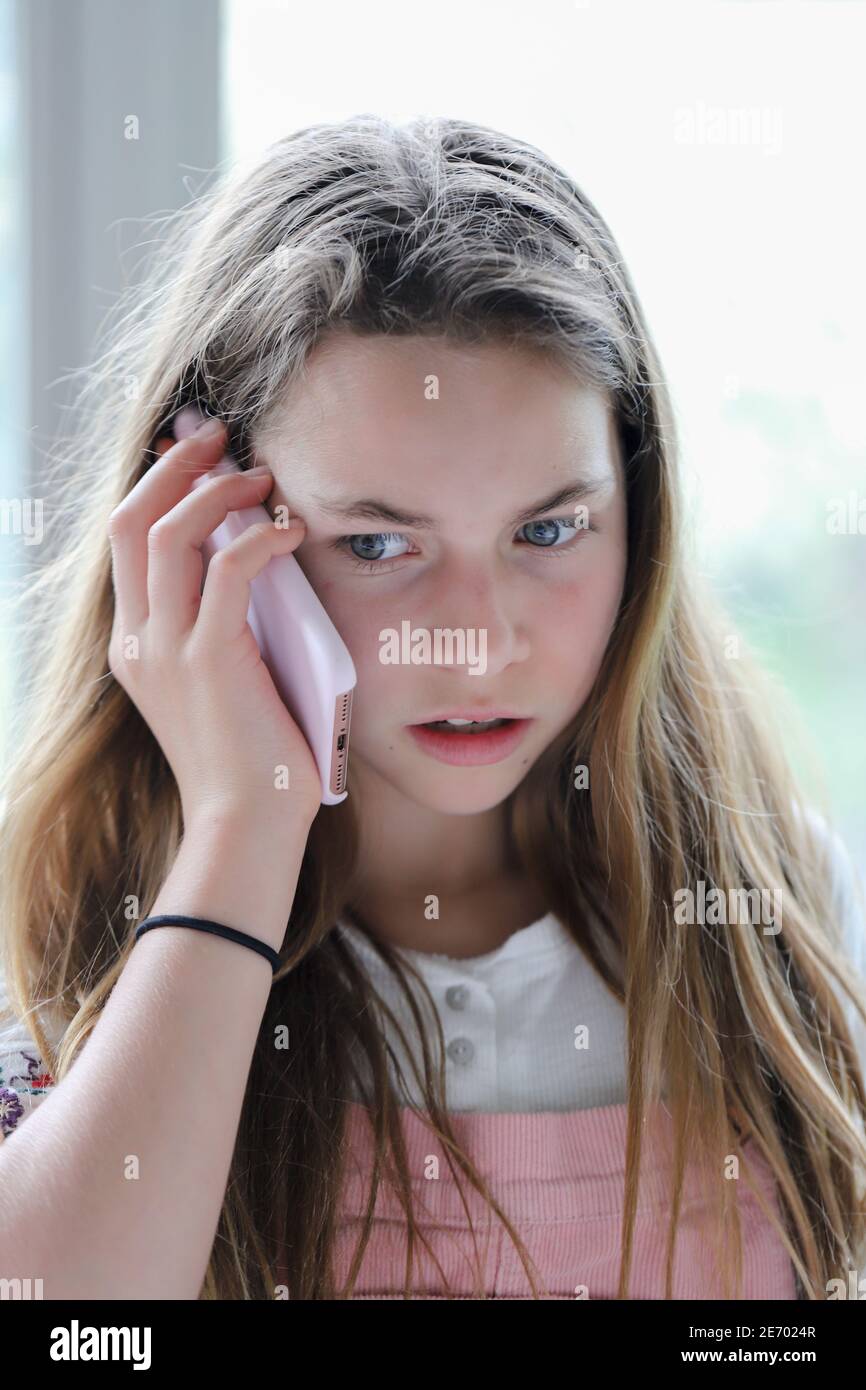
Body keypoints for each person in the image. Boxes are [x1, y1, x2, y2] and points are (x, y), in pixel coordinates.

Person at [1, 114, 864, 1301]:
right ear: (203, 530)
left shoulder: (786, 926)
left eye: (548, 530)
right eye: (377, 541)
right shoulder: (58, 948)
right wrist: (245, 831)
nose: (475, 639)